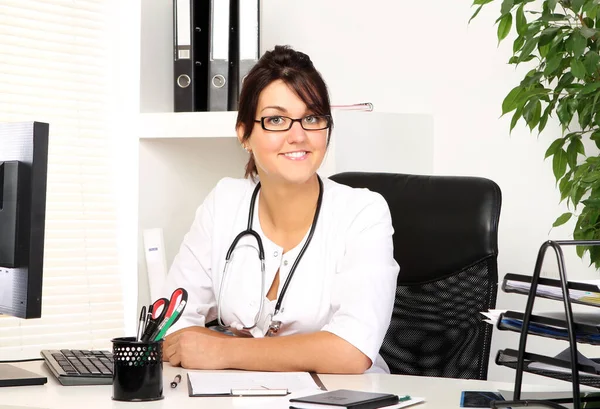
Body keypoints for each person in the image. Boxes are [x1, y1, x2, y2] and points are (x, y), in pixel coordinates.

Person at [161, 45, 399, 374]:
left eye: (312, 118)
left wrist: (224, 351)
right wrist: (306, 349)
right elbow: (168, 326)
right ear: (244, 133)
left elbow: (351, 350)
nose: (298, 135)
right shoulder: (225, 202)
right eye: (276, 119)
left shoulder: (363, 212)